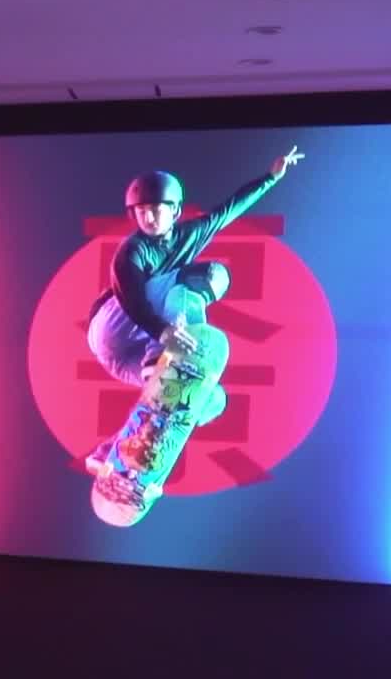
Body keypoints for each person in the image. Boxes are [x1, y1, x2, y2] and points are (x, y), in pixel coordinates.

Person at [83, 146, 305, 474]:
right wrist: (164, 332)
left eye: (156, 210)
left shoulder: (192, 233)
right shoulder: (131, 252)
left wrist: (271, 178)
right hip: (113, 327)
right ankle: (183, 355)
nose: (149, 218)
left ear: (175, 211)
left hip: (130, 356)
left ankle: (111, 454)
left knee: (211, 400)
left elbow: (228, 210)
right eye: (142, 212)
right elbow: (132, 300)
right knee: (191, 280)